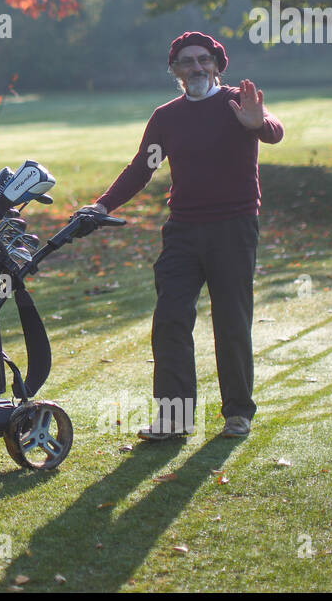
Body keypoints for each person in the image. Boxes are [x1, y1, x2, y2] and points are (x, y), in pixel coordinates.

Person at [80, 32, 284, 440]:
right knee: (171, 320)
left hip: (233, 228)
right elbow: (143, 167)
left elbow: (274, 131)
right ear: (174, 70)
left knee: (231, 321)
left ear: (217, 65)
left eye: (204, 59)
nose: (196, 67)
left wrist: (259, 123)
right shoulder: (166, 117)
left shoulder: (235, 103)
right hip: (183, 232)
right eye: (186, 61)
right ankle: (174, 420)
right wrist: (103, 206)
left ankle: (238, 414)